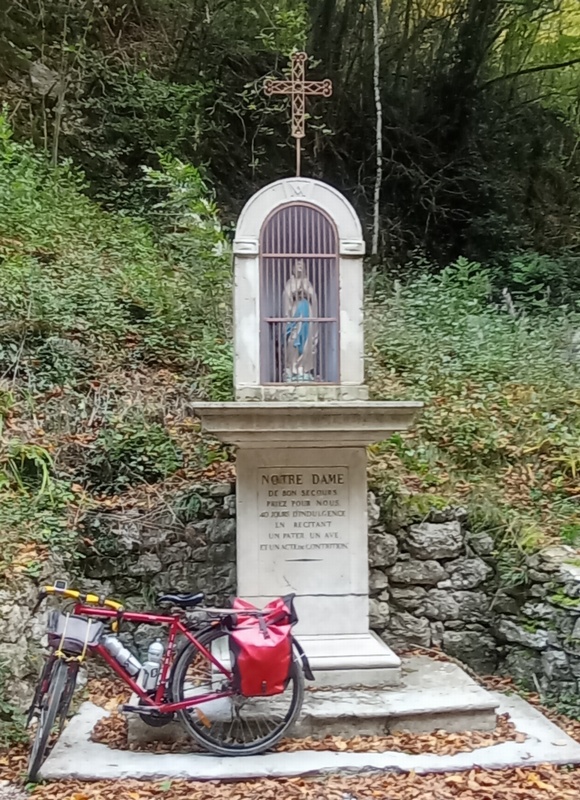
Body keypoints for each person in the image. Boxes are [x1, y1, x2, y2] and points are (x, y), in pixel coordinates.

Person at [283, 259, 318, 381]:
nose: (299, 267)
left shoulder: (307, 282)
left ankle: (303, 367)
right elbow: (286, 298)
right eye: (297, 265)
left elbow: (314, 298)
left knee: (307, 341)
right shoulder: (290, 282)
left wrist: (307, 292)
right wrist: (294, 292)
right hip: (295, 311)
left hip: (306, 312)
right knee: (293, 339)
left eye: (301, 265)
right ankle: (292, 367)